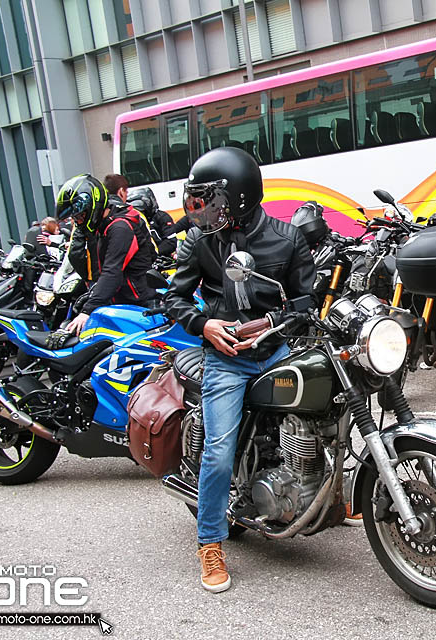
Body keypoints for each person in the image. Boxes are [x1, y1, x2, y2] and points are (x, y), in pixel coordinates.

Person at [165, 147, 315, 593]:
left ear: (240, 197)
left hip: (275, 350)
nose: (201, 210)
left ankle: (322, 494)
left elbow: (305, 301)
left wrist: (272, 322)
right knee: (217, 450)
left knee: (326, 412)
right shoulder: (198, 242)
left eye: (208, 200)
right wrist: (205, 324)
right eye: (198, 200)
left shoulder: (287, 239)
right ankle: (210, 542)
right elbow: (172, 298)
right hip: (226, 358)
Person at [55, 174, 158, 334]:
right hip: (122, 303)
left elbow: (112, 272)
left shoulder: (120, 227)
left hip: (138, 307)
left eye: (80, 216)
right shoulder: (102, 227)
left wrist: (87, 311)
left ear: (92, 206)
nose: (78, 222)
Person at [127, 186, 193, 256]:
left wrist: (153, 254)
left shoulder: (162, 217)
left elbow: (171, 242)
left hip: (162, 257)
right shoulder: (136, 221)